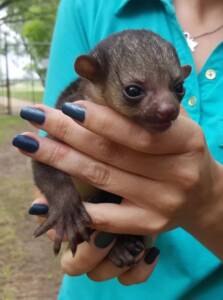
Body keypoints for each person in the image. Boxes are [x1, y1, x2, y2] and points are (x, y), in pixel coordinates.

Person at [12, 0, 223, 299]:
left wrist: (210, 206)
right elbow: (48, 163)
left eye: (176, 88)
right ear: (91, 75)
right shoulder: (88, 7)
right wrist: (64, 207)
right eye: (134, 92)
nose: (167, 106)